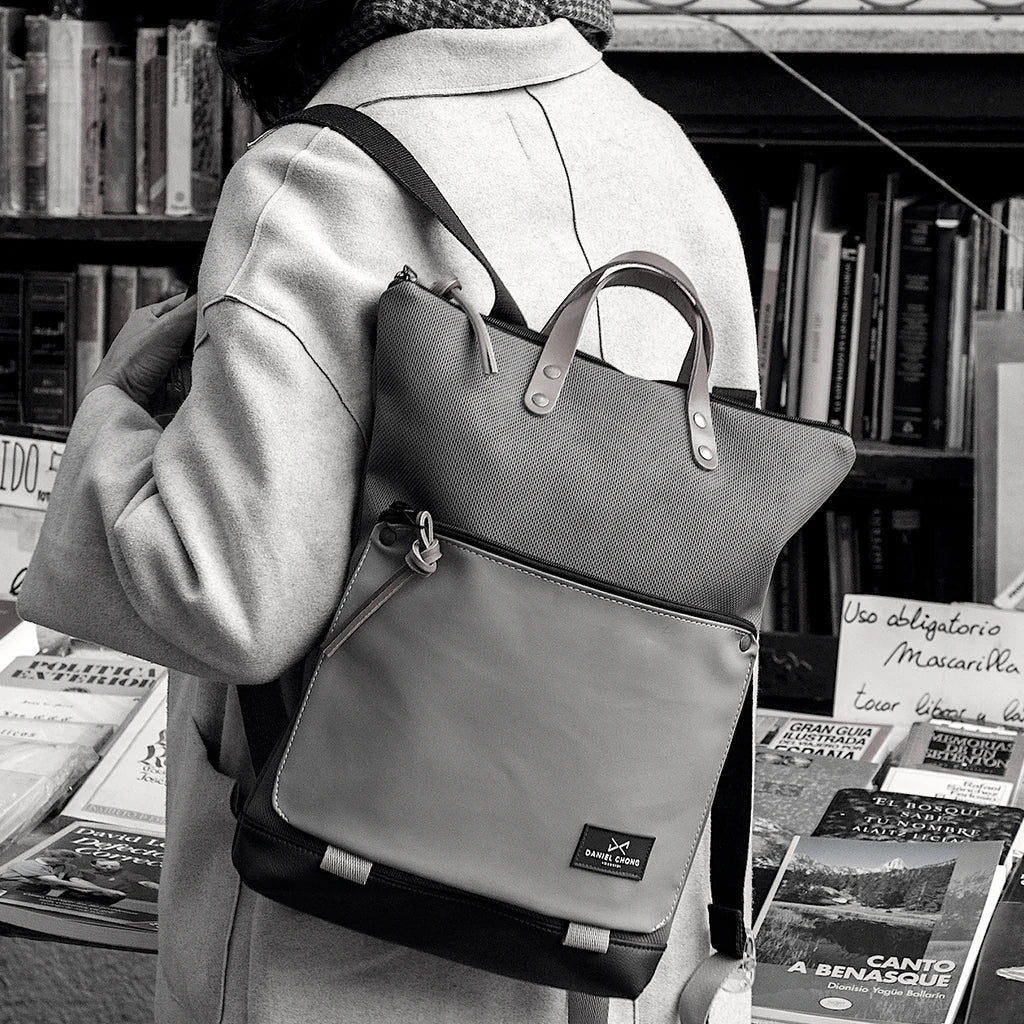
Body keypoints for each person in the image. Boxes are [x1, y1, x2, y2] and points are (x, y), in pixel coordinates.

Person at [18, 1, 760, 1022]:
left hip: (360, 924)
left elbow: (227, 597)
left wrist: (110, 421)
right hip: (606, 902)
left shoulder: (319, 173)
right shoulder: (656, 146)